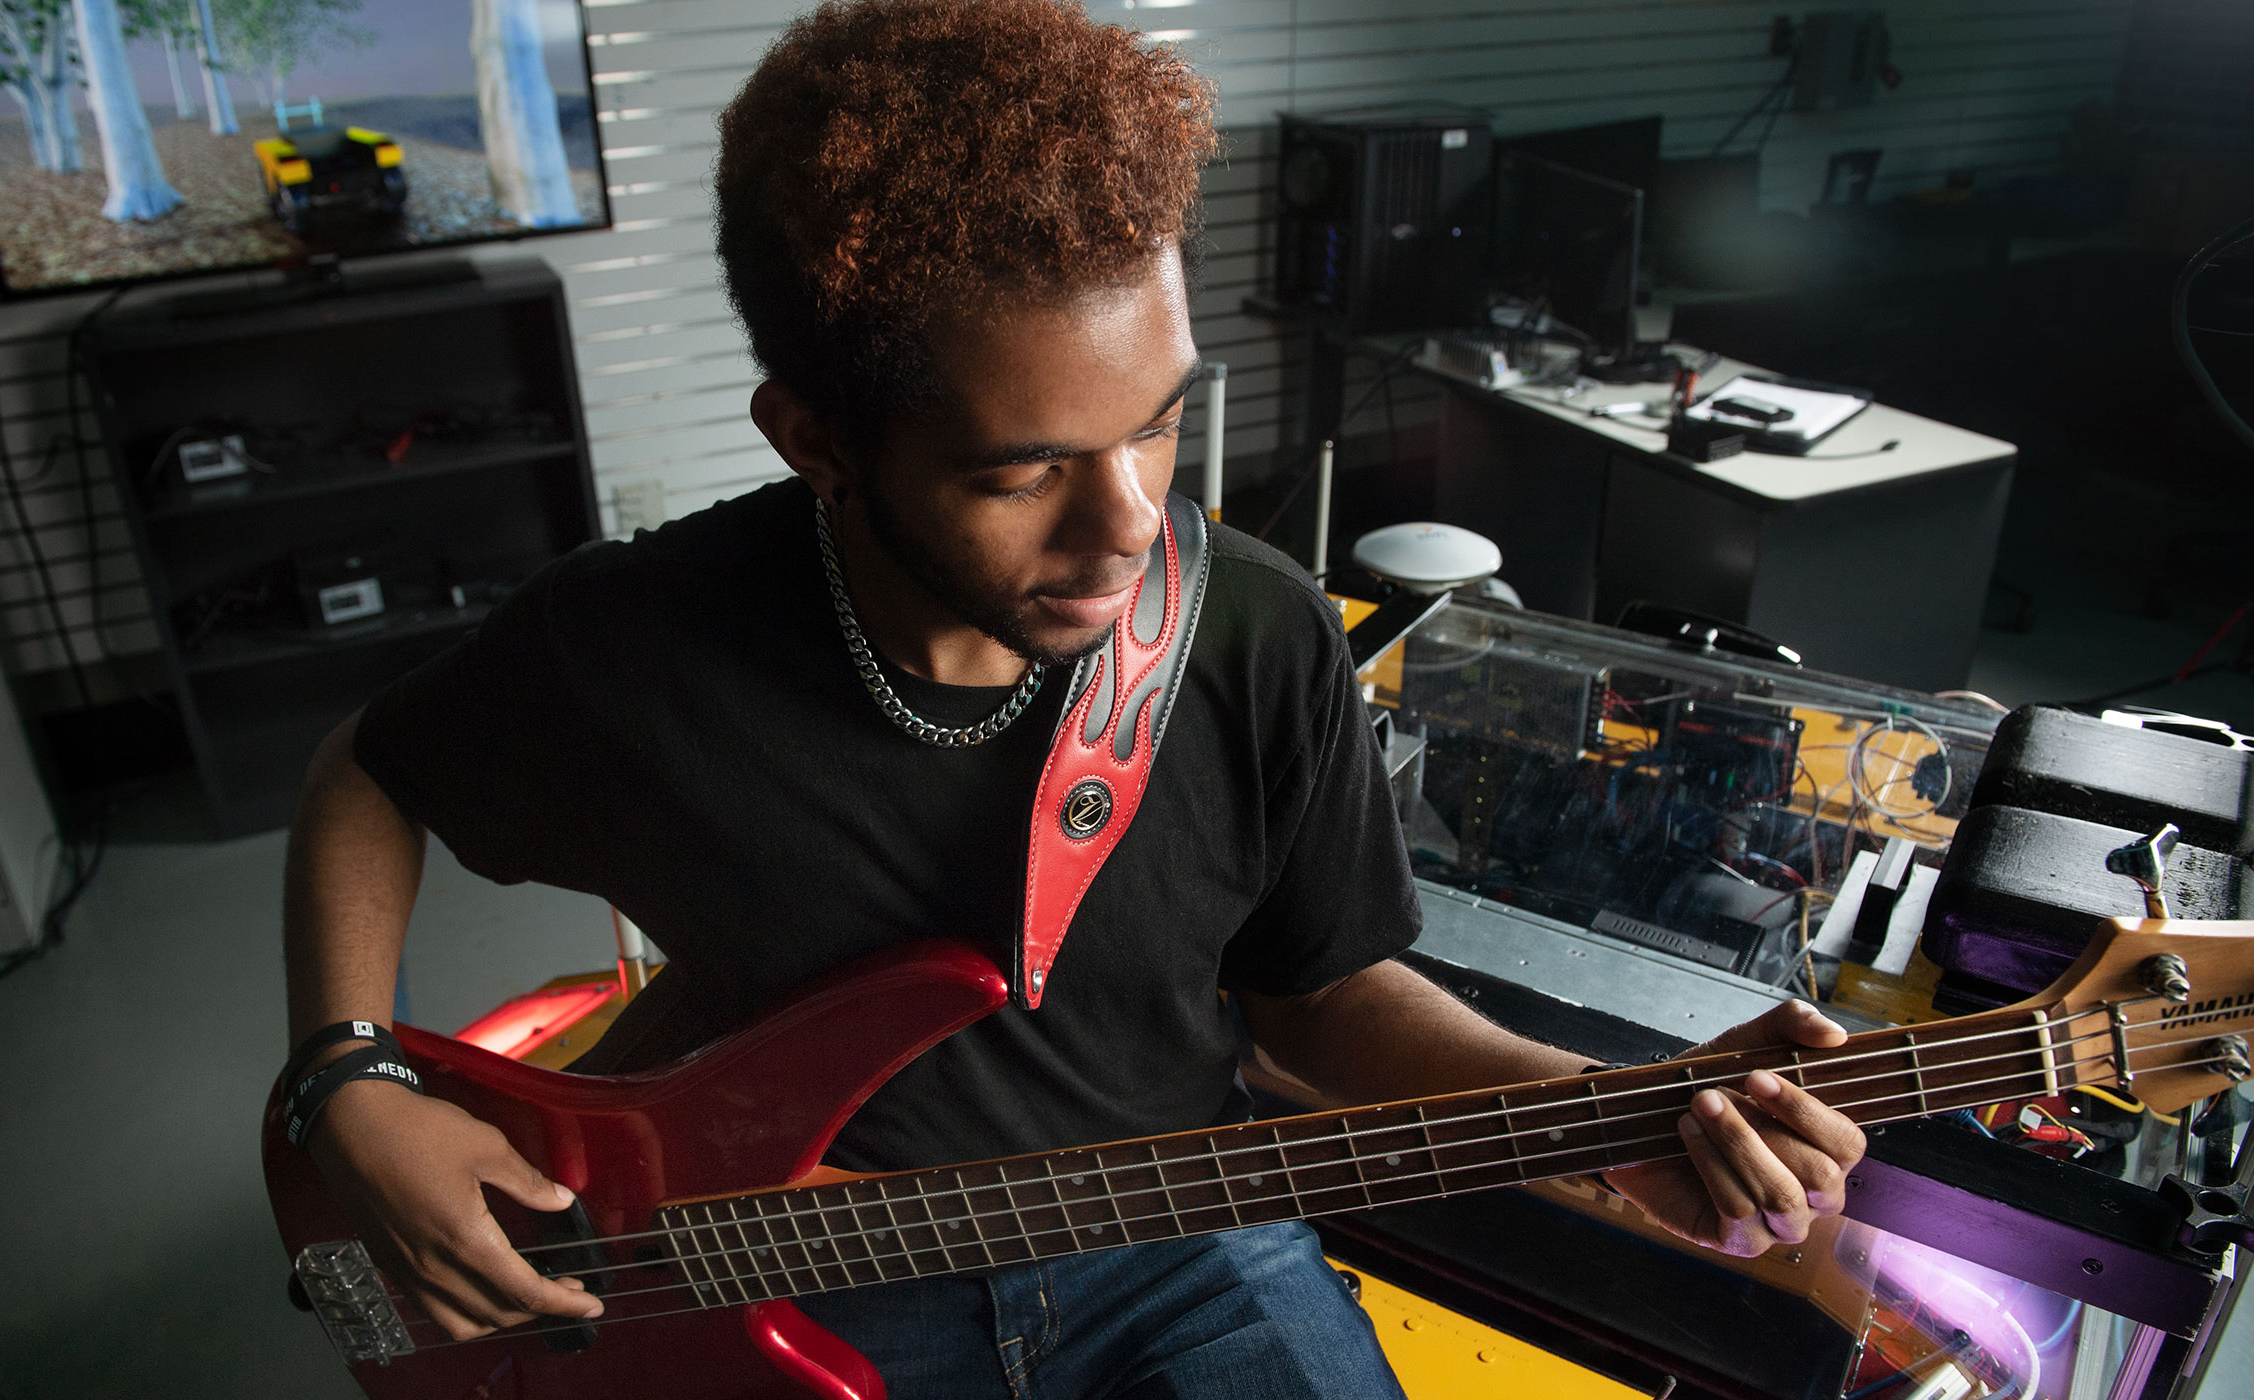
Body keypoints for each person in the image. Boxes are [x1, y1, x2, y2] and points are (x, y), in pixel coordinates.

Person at [280, 1, 1867, 1394]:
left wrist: (1602, 1114)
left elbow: (1316, 994)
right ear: (815, 436)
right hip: (781, 1265)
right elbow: (374, 772)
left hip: (1176, 1239)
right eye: (1022, 467)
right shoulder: (643, 644)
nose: (1126, 527)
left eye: (1157, 426)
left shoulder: (1254, 631)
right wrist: (349, 1075)